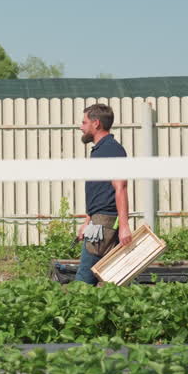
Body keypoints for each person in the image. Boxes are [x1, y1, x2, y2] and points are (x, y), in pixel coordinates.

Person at [74, 103, 132, 285]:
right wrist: (86, 222)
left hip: (104, 223)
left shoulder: (111, 149)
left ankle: (77, 309)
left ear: (96, 123)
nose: (81, 127)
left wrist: (124, 226)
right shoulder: (100, 150)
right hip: (98, 221)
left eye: (84, 123)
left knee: (85, 279)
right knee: (110, 278)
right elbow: (98, 193)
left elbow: (120, 187)